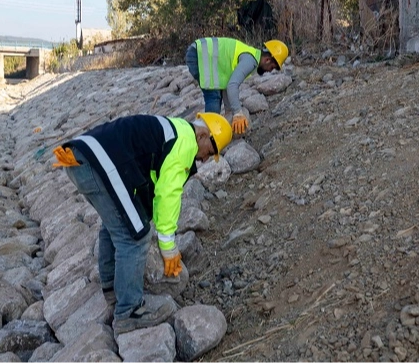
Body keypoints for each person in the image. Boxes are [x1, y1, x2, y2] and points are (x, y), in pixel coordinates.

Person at [52, 112, 232, 336]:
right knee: (134, 236)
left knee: (118, 226)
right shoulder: (185, 143)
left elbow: (153, 182)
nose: (205, 159)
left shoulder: (174, 130)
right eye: (211, 152)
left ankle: (112, 291)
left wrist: (146, 216)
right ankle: (129, 312)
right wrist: (168, 246)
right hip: (99, 163)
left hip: (83, 158)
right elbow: (168, 193)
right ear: (203, 135)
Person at [185, 37, 288, 135]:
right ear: (267, 60)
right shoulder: (250, 61)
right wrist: (237, 113)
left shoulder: (250, 56)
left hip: (200, 52)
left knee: (215, 96)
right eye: (272, 67)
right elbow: (232, 85)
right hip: (199, 54)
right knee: (214, 97)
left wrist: (229, 110)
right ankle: (205, 137)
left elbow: (226, 83)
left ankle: (207, 135)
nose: (270, 70)